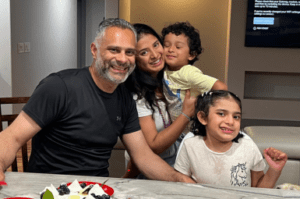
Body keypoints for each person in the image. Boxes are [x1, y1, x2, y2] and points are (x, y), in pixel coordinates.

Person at [0, 18, 194, 183]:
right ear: (95, 50)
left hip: (97, 189)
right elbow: (12, 137)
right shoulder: (59, 87)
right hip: (48, 189)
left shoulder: (125, 99)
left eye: (129, 52)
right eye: (114, 50)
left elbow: (142, 156)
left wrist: (179, 179)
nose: (122, 59)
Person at [123, 24, 196, 179]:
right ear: (134, 60)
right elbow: (153, 146)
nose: (155, 55)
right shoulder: (137, 97)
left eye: (156, 45)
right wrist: (186, 114)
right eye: (144, 52)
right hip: (153, 171)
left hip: (177, 163)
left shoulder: (167, 79)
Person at [174, 90, 288, 187]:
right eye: (222, 114)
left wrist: (274, 170)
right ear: (203, 118)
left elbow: (258, 191)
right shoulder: (190, 146)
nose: (230, 121)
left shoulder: (248, 146)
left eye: (236, 116)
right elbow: (181, 185)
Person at [161, 22, 228, 135]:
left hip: (192, 130)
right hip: (177, 130)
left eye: (178, 47)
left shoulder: (188, 72)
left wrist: (202, 106)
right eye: (166, 45)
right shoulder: (163, 70)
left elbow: (221, 87)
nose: (171, 49)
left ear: (191, 55)